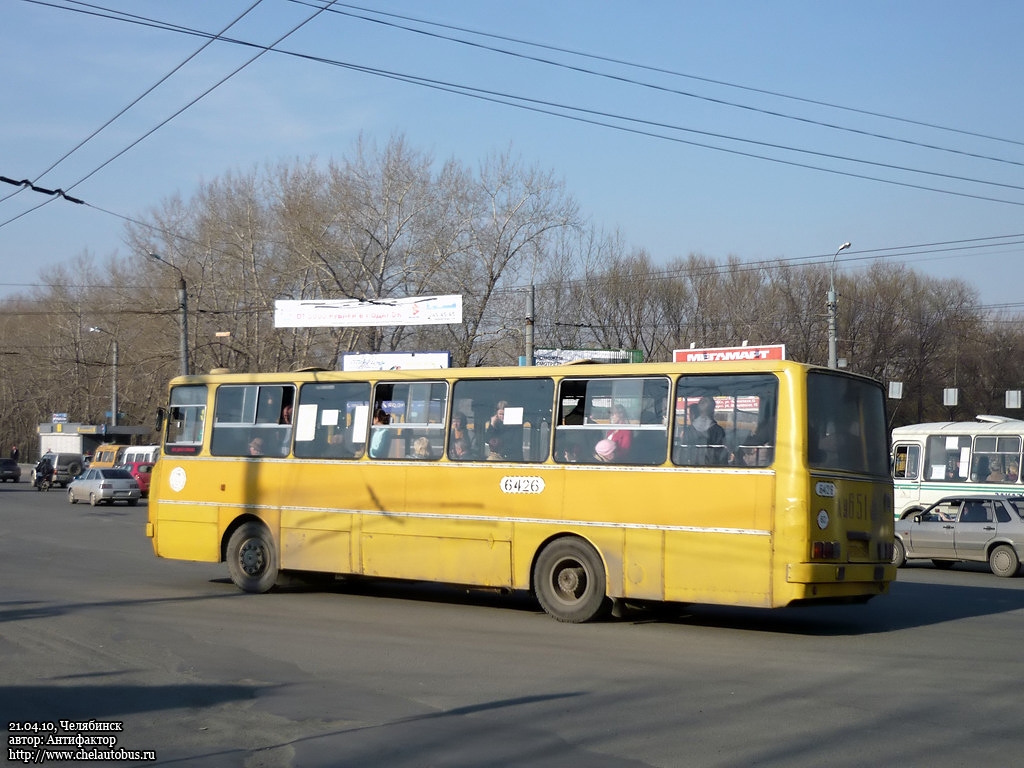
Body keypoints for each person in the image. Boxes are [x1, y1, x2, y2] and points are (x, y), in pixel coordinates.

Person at [682, 396, 726, 466]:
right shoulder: (718, 431)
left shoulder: (689, 430)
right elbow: (722, 455)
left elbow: (683, 453)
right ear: (713, 411)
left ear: (699, 410)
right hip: (714, 468)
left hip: (693, 468)